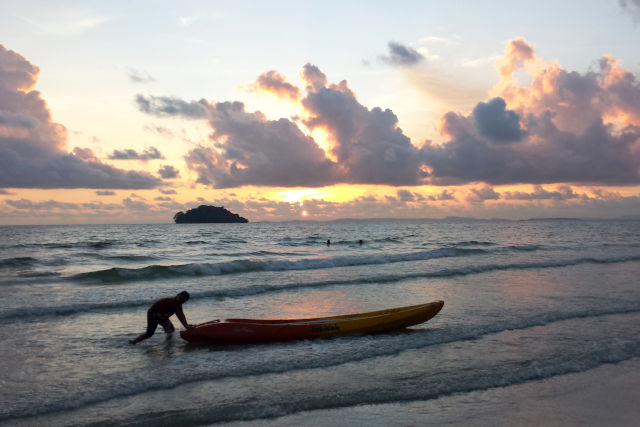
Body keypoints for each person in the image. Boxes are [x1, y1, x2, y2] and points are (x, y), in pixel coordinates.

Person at [129, 291, 195, 344]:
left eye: (183, 300)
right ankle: (133, 341)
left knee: (171, 330)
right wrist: (186, 327)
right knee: (149, 334)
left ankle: (168, 343)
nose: (181, 301)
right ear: (177, 295)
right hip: (153, 314)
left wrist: (187, 325)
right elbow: (179, 316)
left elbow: (182, 315)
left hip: (162, 316)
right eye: (180, 298)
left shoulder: (178, 303)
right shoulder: (172, 302)